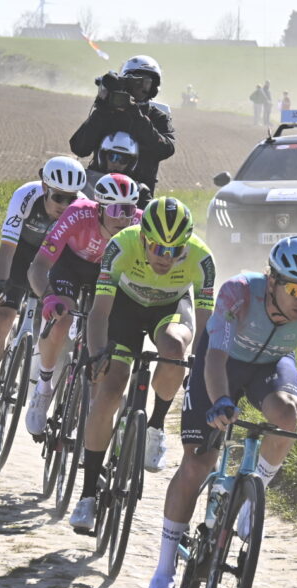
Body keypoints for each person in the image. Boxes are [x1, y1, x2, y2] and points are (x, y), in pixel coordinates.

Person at [146, 235, 297, 588]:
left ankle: (251, 500)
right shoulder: (238, 292)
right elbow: (214, 356)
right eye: (295, 288)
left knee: (286, 415)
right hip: (222, 363)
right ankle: (164, 571)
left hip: (270, 366)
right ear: (273, 281)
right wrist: (220, 401)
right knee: (198, 465)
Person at [68, 197, 216, 532]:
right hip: (124, 309)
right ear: (143, 238)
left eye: (174, 250)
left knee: (176, 346)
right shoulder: (121, 246)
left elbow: (205, 323)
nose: (165, 257)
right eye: (157, 248)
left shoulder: (202, 258)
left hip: (170, 308)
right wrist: (97, 354)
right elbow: (100, 312)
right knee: (110, 389)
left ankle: (155, 427)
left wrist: (202, 366)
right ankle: (88, 494)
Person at [0, 157, 88, 437]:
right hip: (21, 255)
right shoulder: (26, 196)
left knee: (53, 324)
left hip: (55, 263)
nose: (64, 206)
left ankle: (37, 382)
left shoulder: (82, 209)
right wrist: (0, 285)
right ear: (44, 187)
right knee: (3, 317)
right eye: (58, 197)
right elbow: (7, 247)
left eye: (71, 198)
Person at [24, 173, 143, 436]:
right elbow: (38, 267)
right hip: (72, 266)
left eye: (129, 210)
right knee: (62, 319)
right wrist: (49, 298)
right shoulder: (77, 213)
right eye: (115, 210)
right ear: (99, 208)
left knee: (105, 339)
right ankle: (43, 388)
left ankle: (92, 407)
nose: (124, 218)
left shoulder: (140, 223)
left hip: (109, 273)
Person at [70, 55, 175, 197]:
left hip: (137, 197)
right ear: (124, 83)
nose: (140, 88)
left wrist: (135, 114)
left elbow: (165, 149)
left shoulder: (158, 117)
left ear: (154, 88)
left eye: (146, 83)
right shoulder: (107, 112)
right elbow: (79, 148)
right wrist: (102, 107)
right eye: (136, 82)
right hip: (97, 191)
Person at [83, 132, 150, 206]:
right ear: (103, 157)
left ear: (130, 163)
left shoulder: (139, 191)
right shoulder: (84, 180)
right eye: (112, 157)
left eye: (124, 159)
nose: (117, 164)